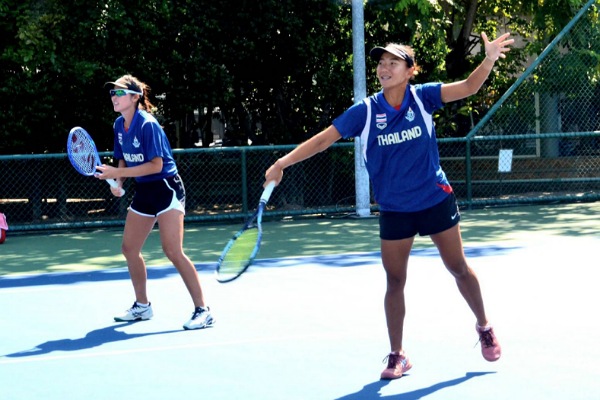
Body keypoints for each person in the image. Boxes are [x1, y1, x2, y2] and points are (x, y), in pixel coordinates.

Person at [264, 32, 513, 379]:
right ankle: (398, 355)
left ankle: (484, 326)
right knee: (394, 280)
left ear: (410, 70)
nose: (384, 67)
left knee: (457, 267)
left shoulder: (423, 97)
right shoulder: (365, 112)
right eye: (381, 62)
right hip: (395, 209)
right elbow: (323, 140)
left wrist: (488, 59)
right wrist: (282, 163)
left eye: (393, 62)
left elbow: (469, 87)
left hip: (434, 199)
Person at [95, 74, 214, 330]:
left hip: (166, 188)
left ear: (135, 97)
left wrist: (118, 173)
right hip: (145, 191)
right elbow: (122, 159)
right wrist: (118, 183)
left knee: (172, 250)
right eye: (112, 93)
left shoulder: (148, 125)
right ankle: (142, 306)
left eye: (120, 92)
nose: (114, 97)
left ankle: (203, 310)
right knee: (129, 248)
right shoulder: (119, 125)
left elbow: (156, 165)